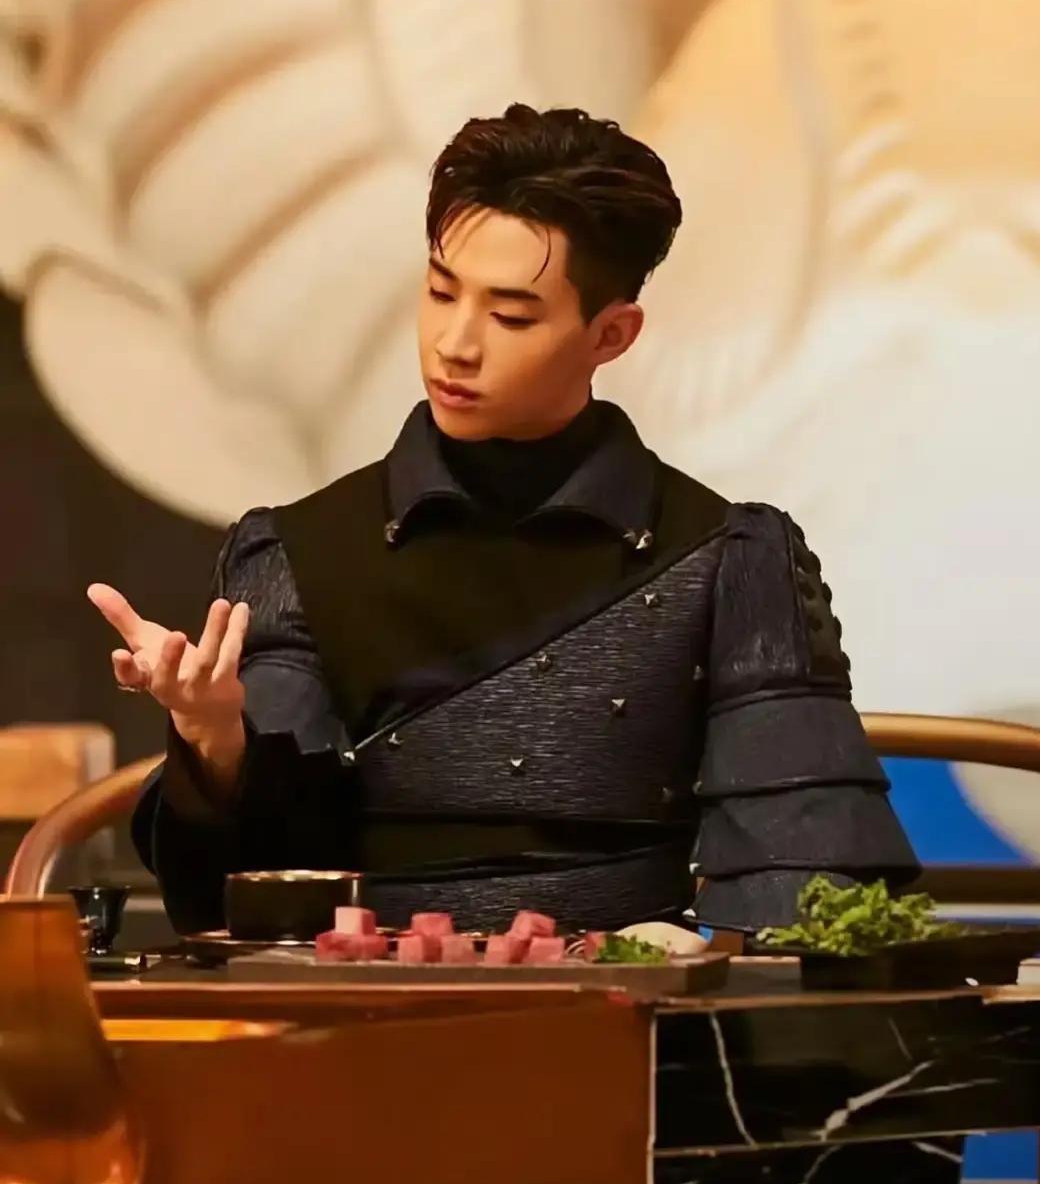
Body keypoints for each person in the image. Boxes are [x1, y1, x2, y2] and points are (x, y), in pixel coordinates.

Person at [89, 104, 917, 936]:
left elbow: (807, 896)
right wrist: (214, 737)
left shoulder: (729, 558)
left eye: (511, 316)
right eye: (440, 291)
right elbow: (262, 907)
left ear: (612, 335)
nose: (455, 343)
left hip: (635, 1005)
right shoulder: (296, 555)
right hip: (367, 1004)